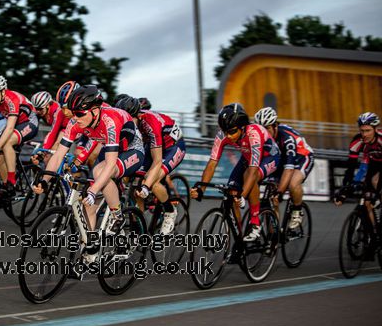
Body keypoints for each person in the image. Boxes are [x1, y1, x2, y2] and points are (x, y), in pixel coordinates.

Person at [33, 85, 145, 239]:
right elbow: (58, 155)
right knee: (88, 207)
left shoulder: (109, 121)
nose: (74, 118)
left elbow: (111, 165)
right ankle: (90, 250)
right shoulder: (76, 122)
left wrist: (93, 191)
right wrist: (45, 180)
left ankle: (117, 217)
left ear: (95, 111)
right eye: (73, 114)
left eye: (79, 114)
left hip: (132, 149)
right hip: (111, 147)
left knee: (100, 172)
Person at [190, 103, 280, 241]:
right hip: (247, 156)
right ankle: (239, 240)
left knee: (250, 178)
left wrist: (243, 195)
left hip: (269, 157)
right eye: (225, 131)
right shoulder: (224, 134)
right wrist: (201, 188)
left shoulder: (253, 133)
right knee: (232, 192)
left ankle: (255, 222)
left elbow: (253, 170)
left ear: (242, 127)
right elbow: (212, 163)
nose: (228, 136)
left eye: (232, 131)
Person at [116, 96, 186, 234]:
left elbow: (157, 161)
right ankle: (140, 228)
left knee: (151, 181)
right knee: (136, 185)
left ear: (139, 116)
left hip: (173, 146)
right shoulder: (128, 124)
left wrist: (146, 186)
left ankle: (170, 212)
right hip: (152, 145)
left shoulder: (150, 122)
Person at [253, 107, 314, 228]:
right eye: (261, 129)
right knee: (272, 196)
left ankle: (297, 210)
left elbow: (289, 169)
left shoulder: (286, 138)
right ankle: (274, 236)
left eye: (267, 128)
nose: (264, 132)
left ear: (275, 126)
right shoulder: (260, 138)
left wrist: (280, 192)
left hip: (302, 156)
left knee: (292, 184)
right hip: (282, 158)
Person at [335, 112, 382, 245]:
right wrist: (344, 189)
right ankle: (374, 236)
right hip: (373, 165)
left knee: (376, 182)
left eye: (368, 131)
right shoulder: (357, 142)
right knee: (367, 201)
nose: (364, 134)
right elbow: (351, 168)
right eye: (362, 131)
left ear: (375, 129)